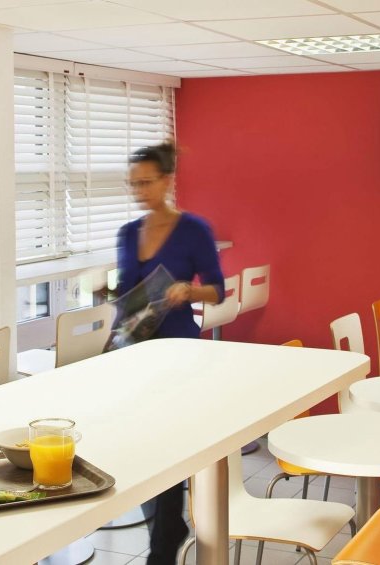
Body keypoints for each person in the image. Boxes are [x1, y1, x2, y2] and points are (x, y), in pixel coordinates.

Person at [116, 142, 224, 564]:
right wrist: (107, 293)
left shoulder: (194, 229)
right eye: (133, 184)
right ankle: (166, 527)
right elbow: (127, 292)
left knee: (167, 444)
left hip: (178, 353)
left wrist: (188, 291)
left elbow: (217, 289)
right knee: (144, 448)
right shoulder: (128, 233)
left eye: (146, 182)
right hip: (133, 352)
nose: (139, 191)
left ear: (167, 181)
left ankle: (162, 545)